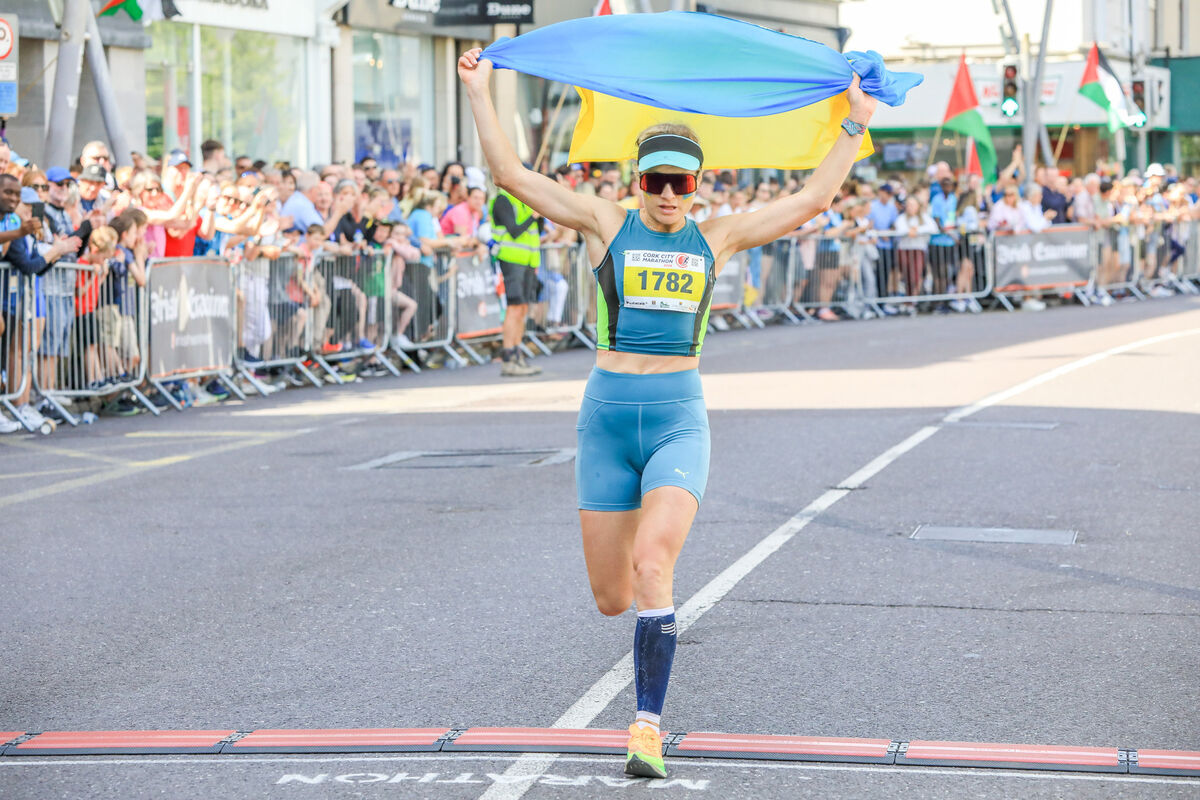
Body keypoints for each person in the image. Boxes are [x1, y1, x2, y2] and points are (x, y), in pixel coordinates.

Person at [459, 46, 876, 780]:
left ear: (697, 184)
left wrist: (854, 124)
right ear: (638, 182)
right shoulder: (603, 223)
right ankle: (643, 672)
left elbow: (810, 201)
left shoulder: (715, 236)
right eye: (657, 181)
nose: (670, 195)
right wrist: (479, 91)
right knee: (612, 597)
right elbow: (511, 176)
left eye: (683, 182)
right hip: (607, 418)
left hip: (680, 416)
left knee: (655, 565)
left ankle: (646, 727)